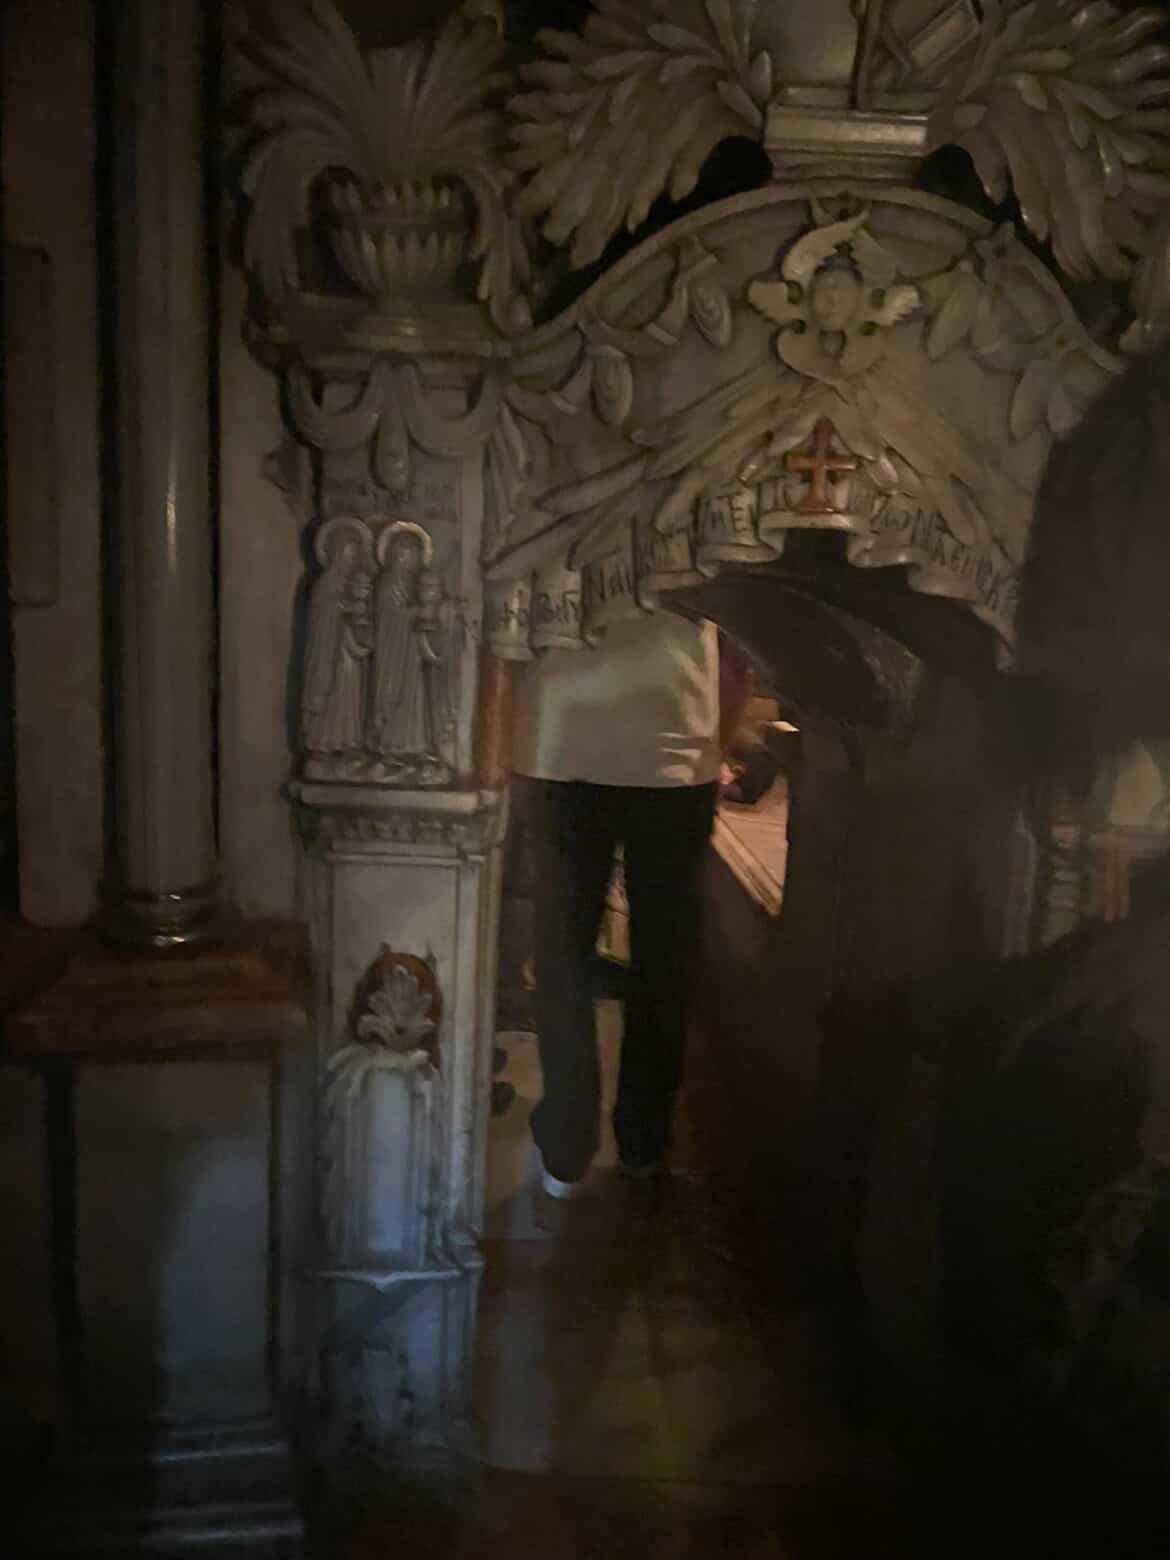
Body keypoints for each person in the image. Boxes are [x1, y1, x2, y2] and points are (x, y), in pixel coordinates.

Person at [512, 609, 749, 1197]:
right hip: (674, 732)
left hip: (560, 730)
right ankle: (643, 1143)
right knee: (663, 962)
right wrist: (716, 741)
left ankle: (567, 1144)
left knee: (562, 958)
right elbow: (742, 624)